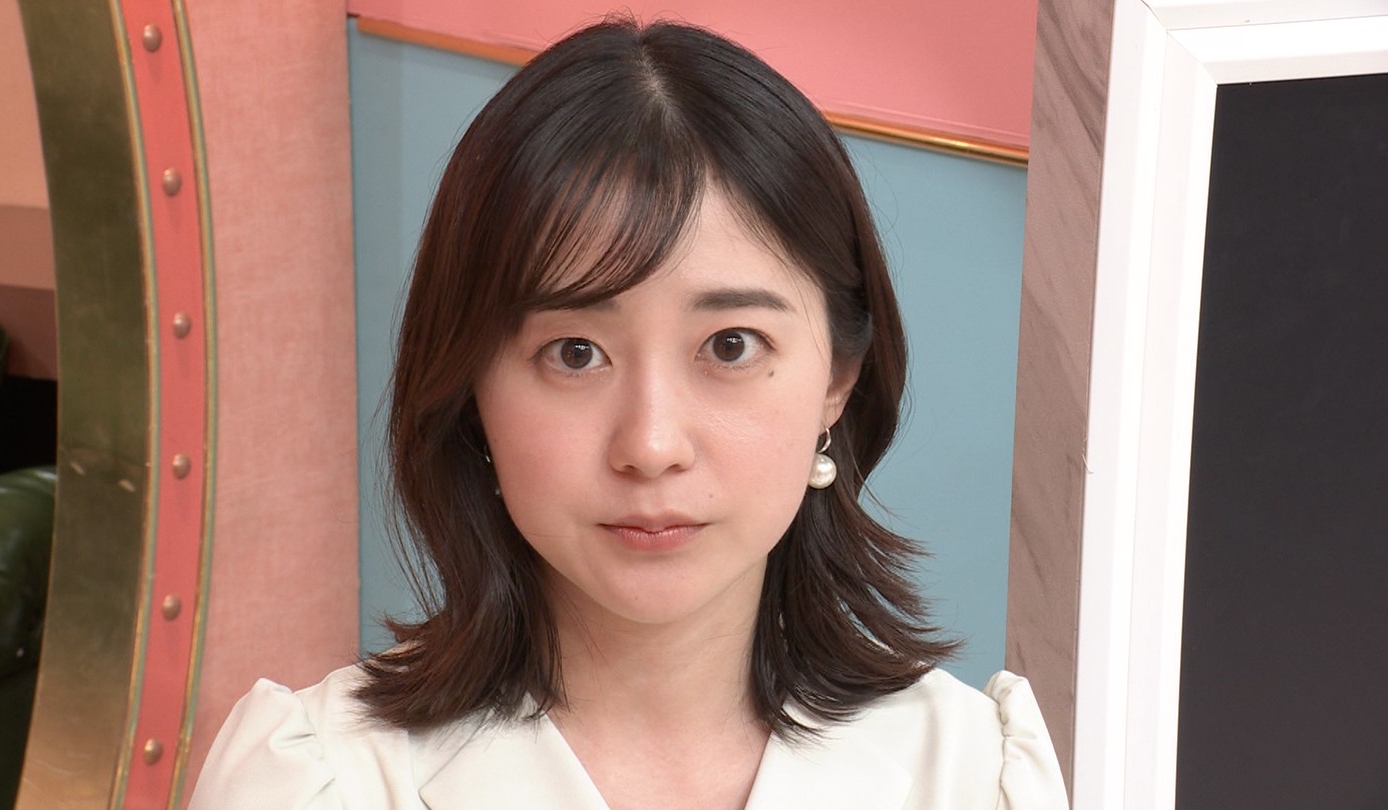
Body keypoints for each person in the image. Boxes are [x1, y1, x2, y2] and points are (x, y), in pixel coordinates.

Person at [189, 17, 1069, 810]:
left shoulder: (974, 777)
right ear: (471, 390)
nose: (650, 445)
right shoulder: (318, 783)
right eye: (575, 353)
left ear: (838, 379)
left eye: (730, 346)